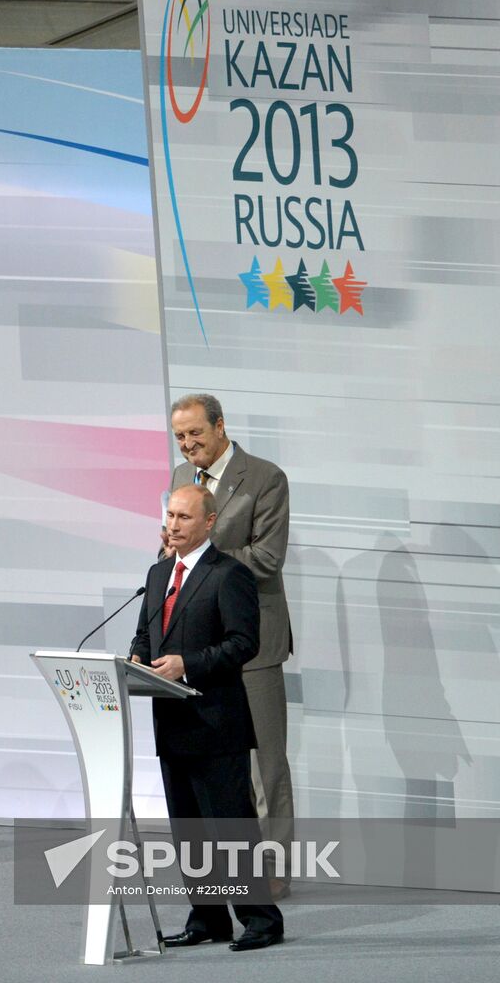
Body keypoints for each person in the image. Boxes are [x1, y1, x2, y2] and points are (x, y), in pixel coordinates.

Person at [132, 485, 284, 951]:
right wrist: (137, 658)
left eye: (183, 517)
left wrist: (188, 663)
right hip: (173, 723)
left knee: (230, 828)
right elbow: (144, 634)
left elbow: (244, 643)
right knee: (190, 831)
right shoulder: (158, 574)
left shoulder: (228, 574)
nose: (173, 525)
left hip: (217, 723)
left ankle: (261, 919)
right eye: (170, 516)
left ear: (209, 523)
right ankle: (209, 918)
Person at [162, 394, 294, 897]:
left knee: (267, 763)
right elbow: (172, 551)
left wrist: (203, 555)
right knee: (210, 760)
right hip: (195, 647)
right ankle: (220, 870)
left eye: (195, 433)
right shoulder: (179, 476)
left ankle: (275, 868)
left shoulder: (265, 477)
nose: (188, 444)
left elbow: (267, 558)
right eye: (180, 436)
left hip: (255, 640)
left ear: (220, 427)